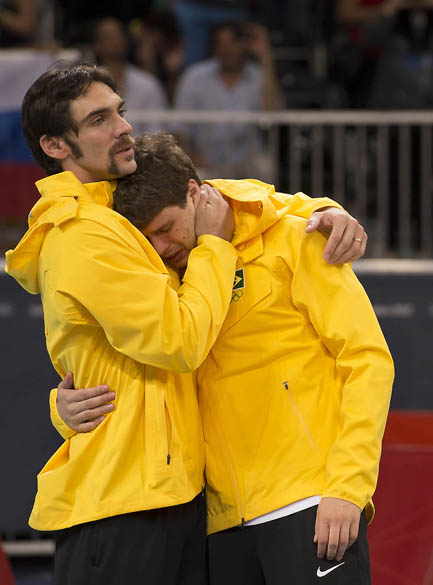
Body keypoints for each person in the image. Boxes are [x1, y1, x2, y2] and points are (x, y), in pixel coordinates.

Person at [5, 63, 367, 585]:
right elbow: (179, 341)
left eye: (121, 112)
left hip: (185, 500)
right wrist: (216, 245)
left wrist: (320, 208)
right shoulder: (83, 232)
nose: (123, 127)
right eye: (100, 119)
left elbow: (214, 195)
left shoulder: (118, 211)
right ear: (56, 145)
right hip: (127, 503)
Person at [174, 20, 282, 181]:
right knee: (196, 174)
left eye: (233, 43)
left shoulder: (260, 76)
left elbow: (272, 113)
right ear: (214, 47)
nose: (227, 50)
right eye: (221, 44)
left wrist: (265, 57)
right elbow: (180, 128)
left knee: (264, 167)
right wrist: (192, 156)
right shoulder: (194, 77)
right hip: (205, 159)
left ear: (245, 45)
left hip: (247, 160)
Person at [91, 16, 168, 134]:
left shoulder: (148, 84)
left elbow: (157, 131)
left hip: (142, 150)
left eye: (118, 35)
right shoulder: (88, 88)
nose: (115, 41)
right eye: (109, 37)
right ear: (97, 46)